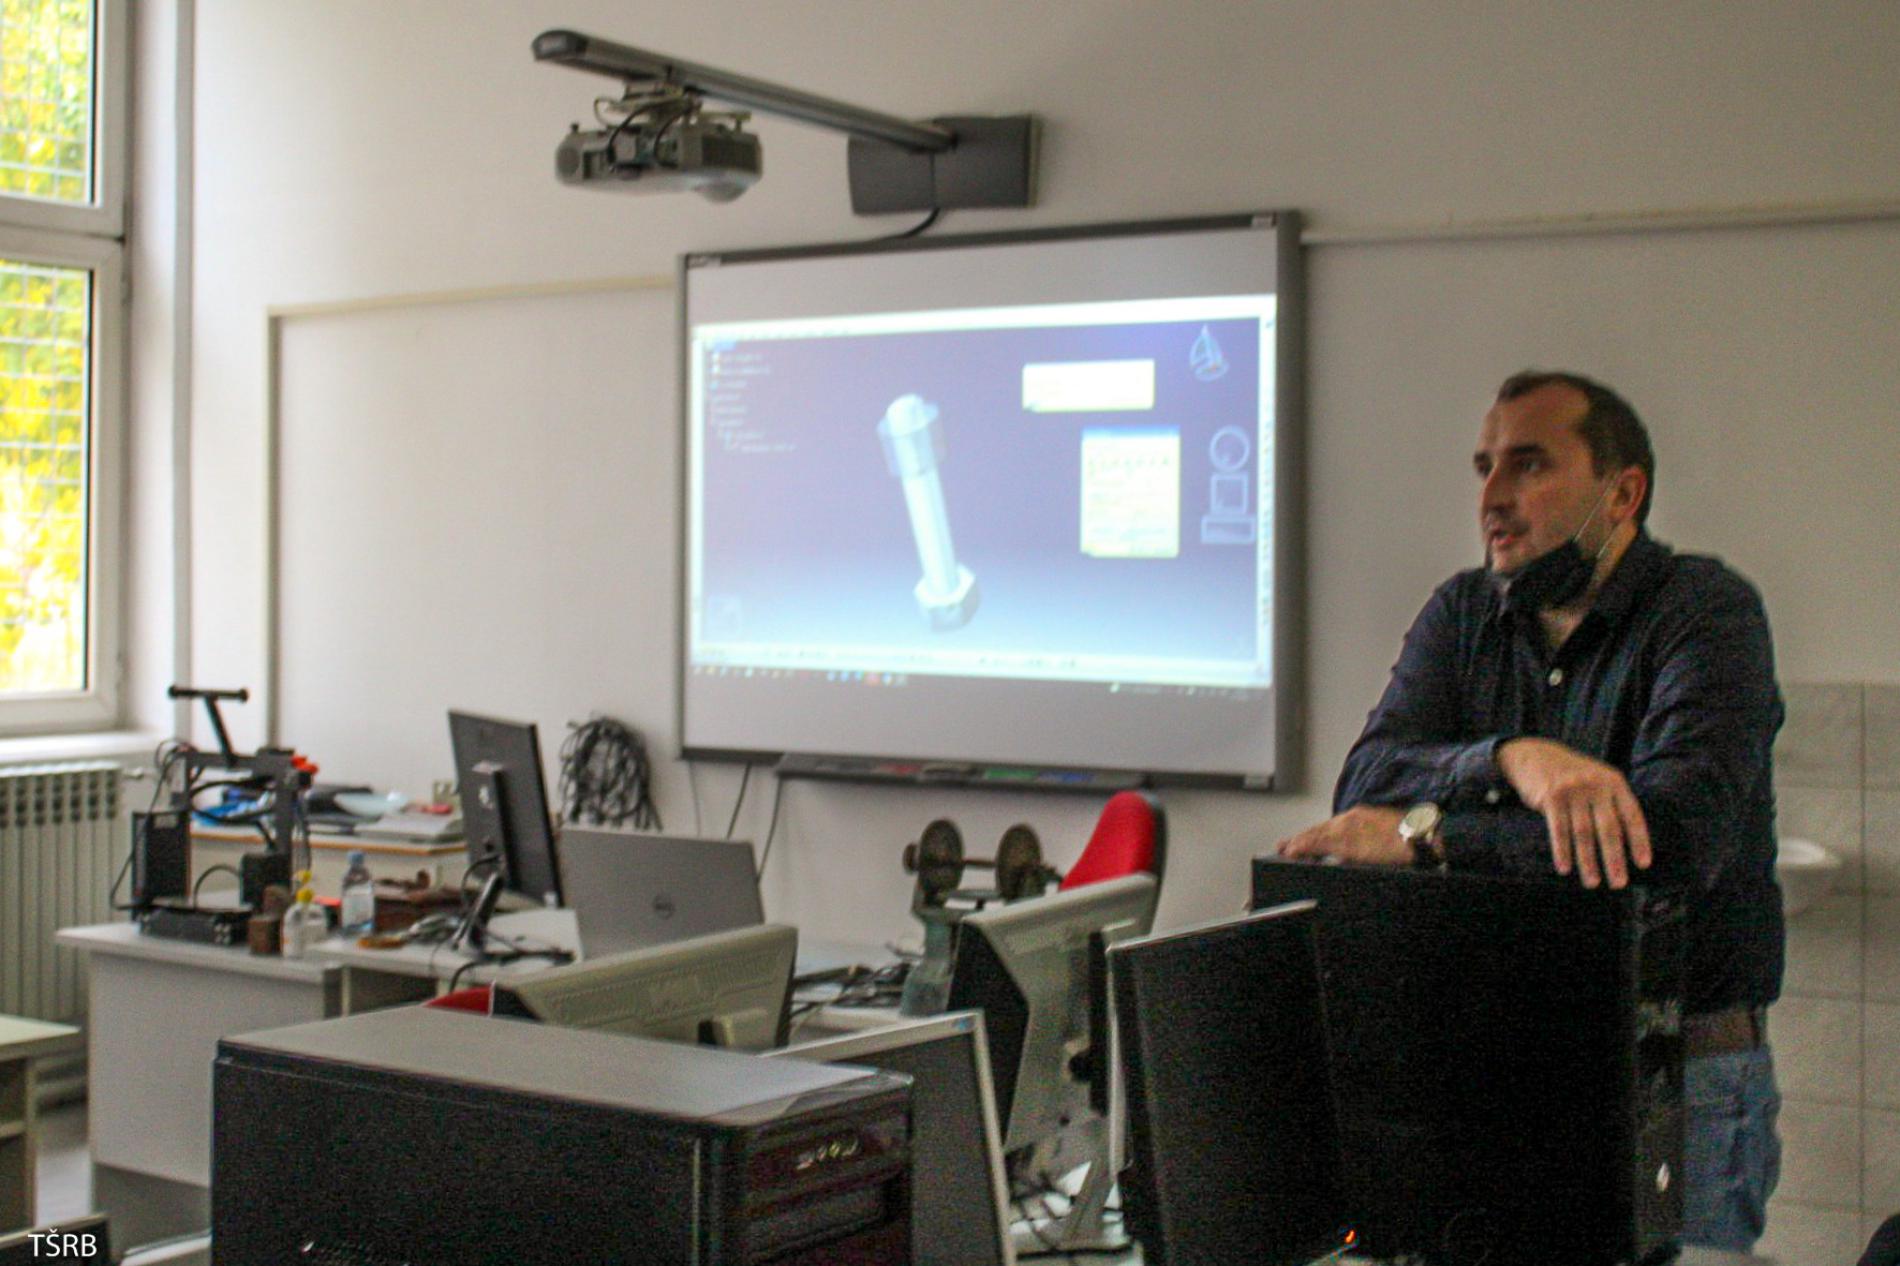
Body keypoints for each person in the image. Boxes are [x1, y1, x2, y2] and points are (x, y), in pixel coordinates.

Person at [1276, 370, 1785, 1253]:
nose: (1492, 499)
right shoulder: (1462, 613)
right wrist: (1514, 759)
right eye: (1485, 467)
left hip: (1677, 1077)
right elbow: (1365, 786)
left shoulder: (1706, 614)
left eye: (1530, 465)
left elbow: (1664, 844)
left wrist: (1431, 840)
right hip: (1489, 1074)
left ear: (1622, 493)